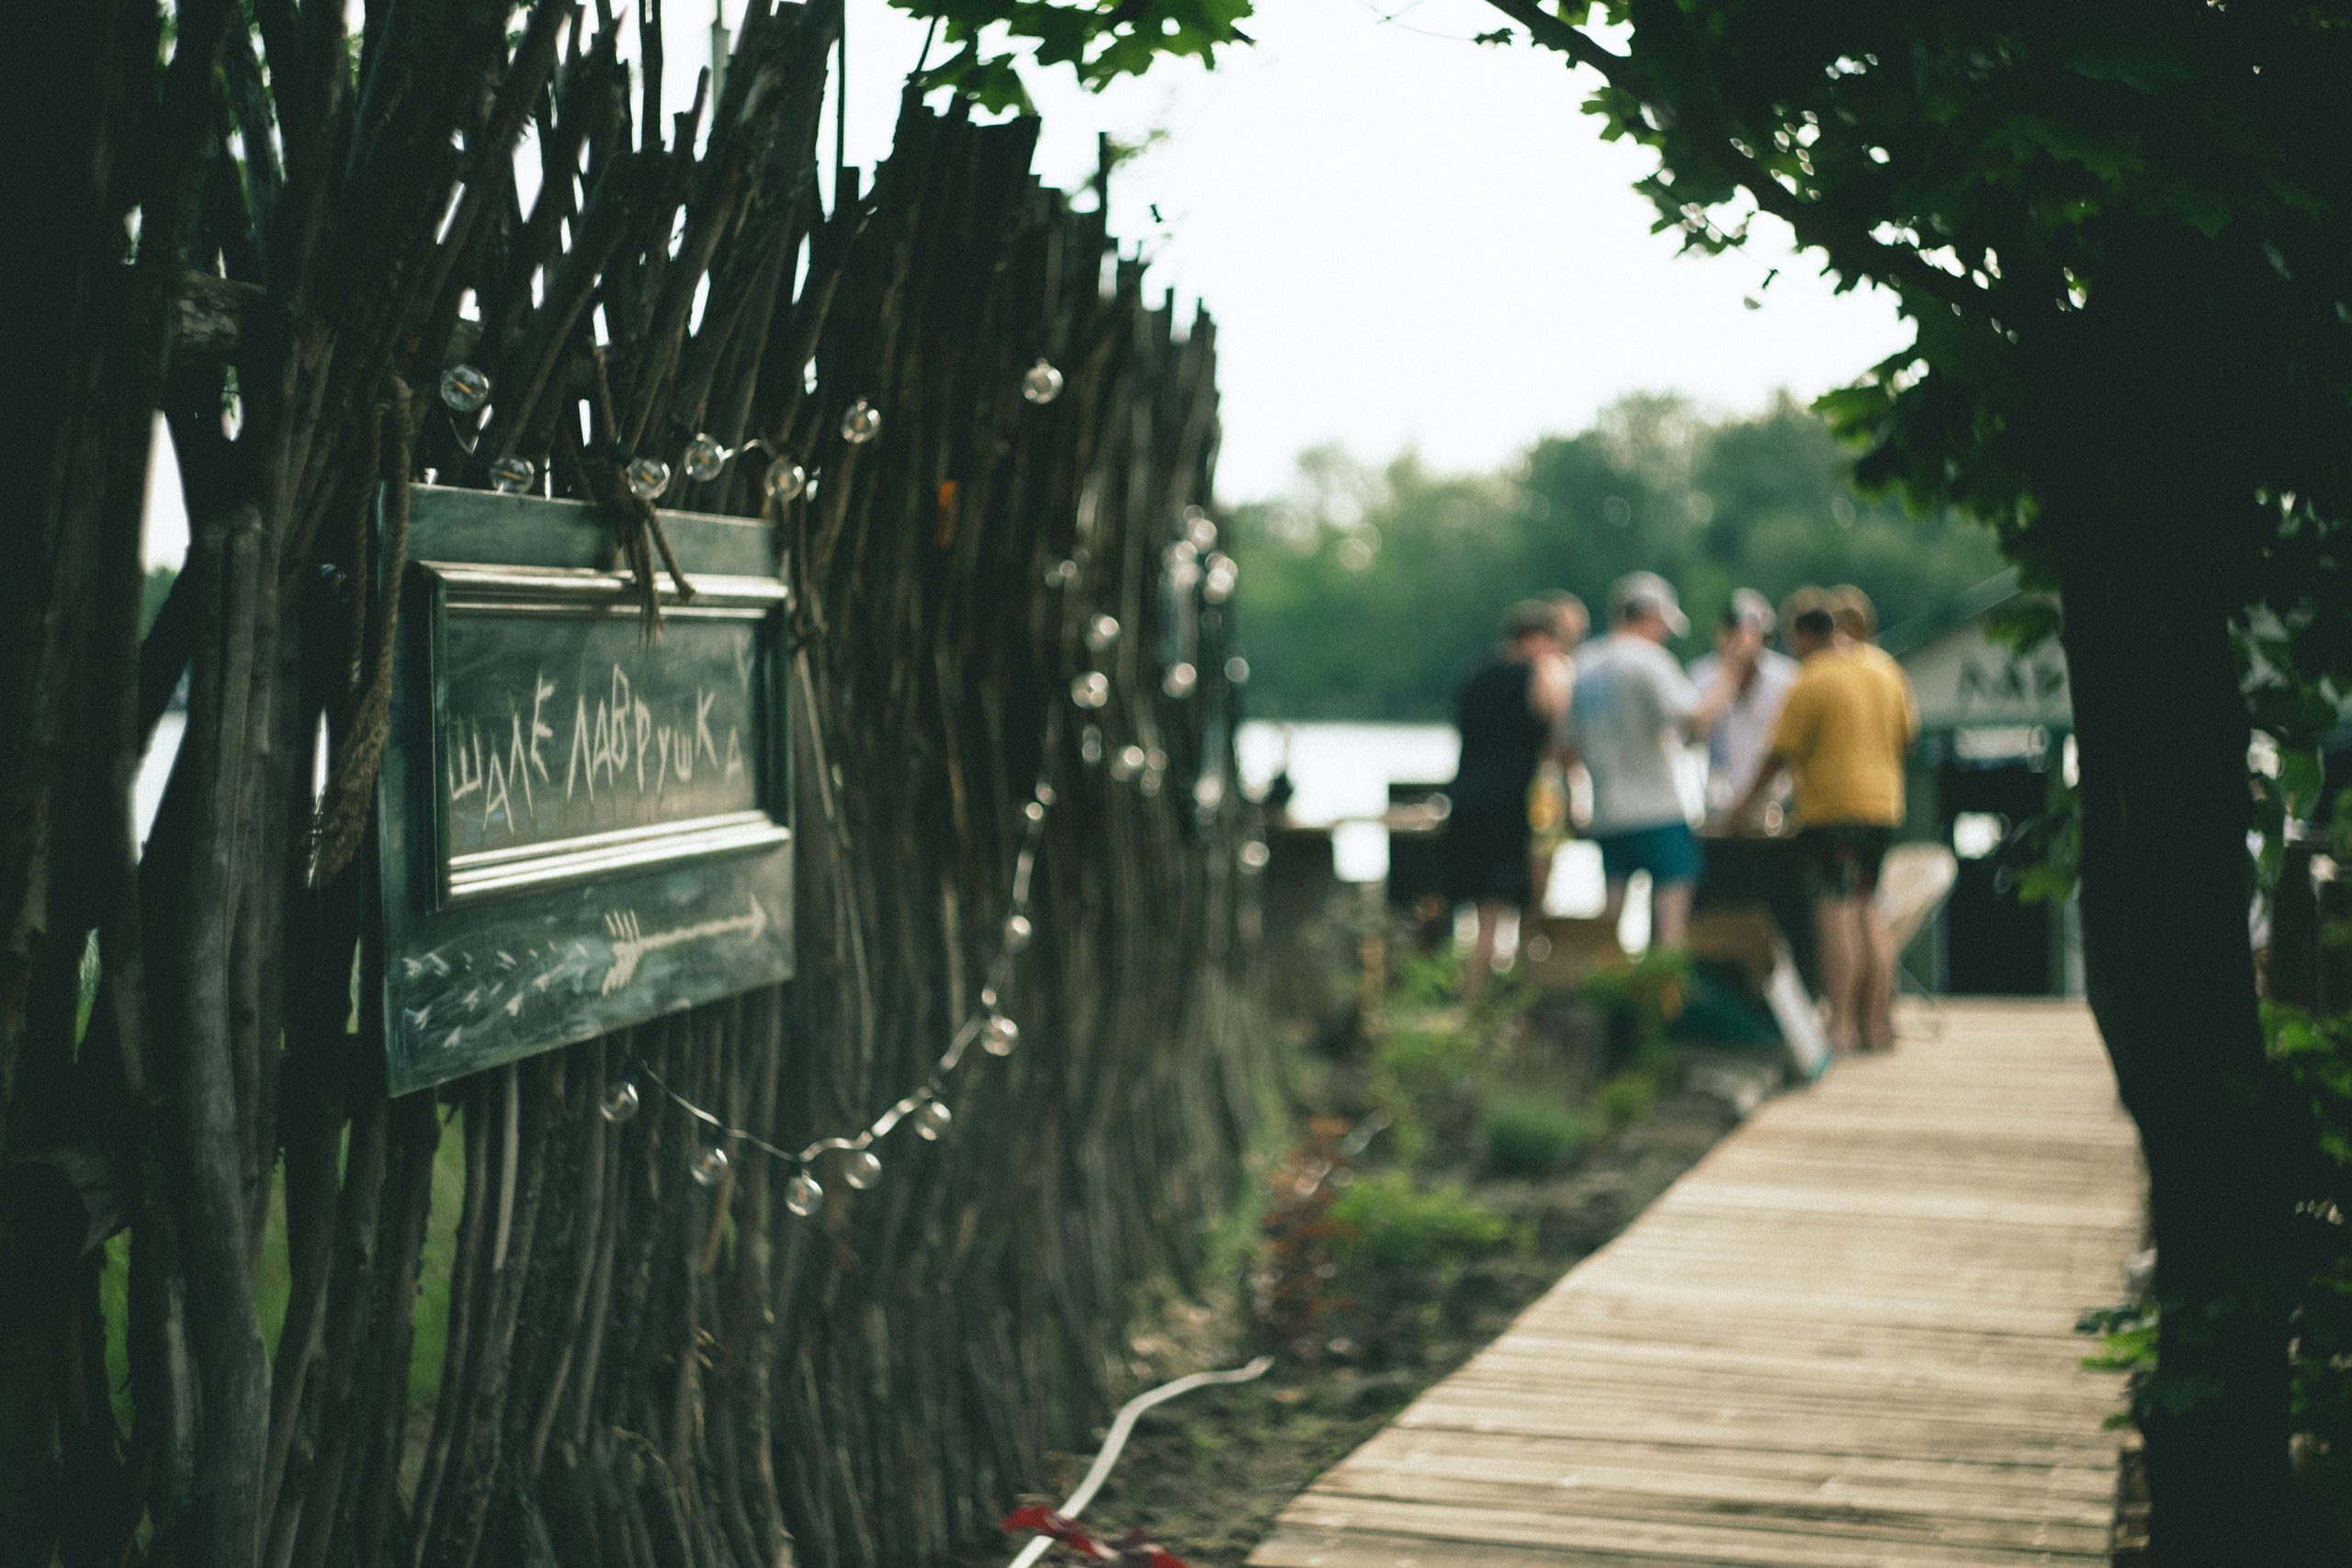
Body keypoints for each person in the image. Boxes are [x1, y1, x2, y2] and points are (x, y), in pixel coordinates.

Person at [1736, 599, 1917, 1053]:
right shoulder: (1883, 667)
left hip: (1833, 811)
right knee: (1868, 909)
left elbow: (1779, 755)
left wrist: (1742, 810)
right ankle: (1878, 1025)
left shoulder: (1812, 678)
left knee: (1834, 913)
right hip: (1883, 809)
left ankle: (1841, 1027)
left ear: (1801, 635)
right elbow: (1907, 738)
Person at [1564, 572, 1755, 951]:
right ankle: (1666, 1002)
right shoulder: (1649, 661)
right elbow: (1697, 720)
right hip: (1657, 811)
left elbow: (1565, 746)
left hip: (1605, 812)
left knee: (1609, 924)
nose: (1665, 634)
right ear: (1649, 615)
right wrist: (1733, 668)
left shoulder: (1582, 665)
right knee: (1671, 928)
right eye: (1664, 624)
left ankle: (1607, 1000)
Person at [1444, 601, 1570, 997]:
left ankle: (1470, 999)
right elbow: (1558, 725)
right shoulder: (1539, 673)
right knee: (1508, 916)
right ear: (1538, 639)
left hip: (1466, 802)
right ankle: (1497, 1005)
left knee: (1478, 919)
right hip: (1511, 807)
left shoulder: (1475, 673)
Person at [1688, 588, 1800, 824]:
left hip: (1776, 803)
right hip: (1717, 803)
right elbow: (1692, 736)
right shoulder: (1702, 675)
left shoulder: (1787, 678)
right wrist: (1731, 672)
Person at [1528, 592, 1590, 908]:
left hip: (1532, 783)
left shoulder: (1523, 664)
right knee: (1539, 868)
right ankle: (1531, 943)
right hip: (1545, 785)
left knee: (1533, 869)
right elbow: (1563, 737)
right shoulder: (1557, 669)